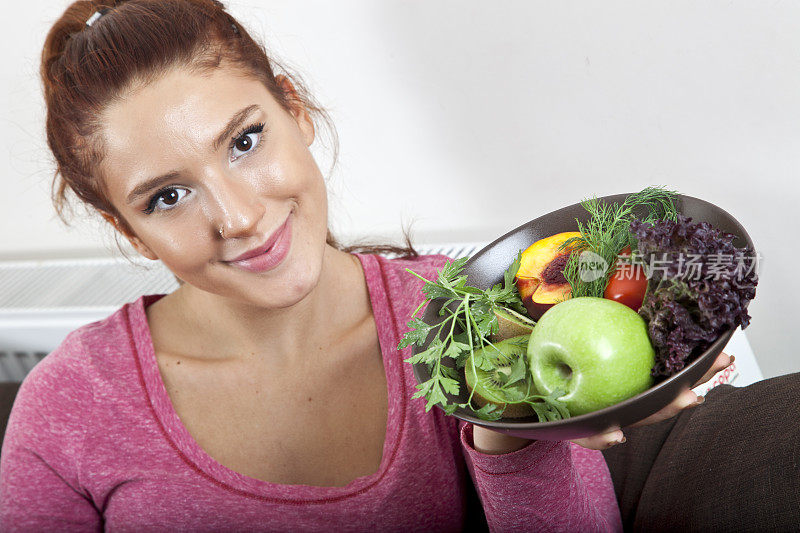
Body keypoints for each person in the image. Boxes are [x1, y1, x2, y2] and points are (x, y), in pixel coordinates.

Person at [0, 1, 732, 531]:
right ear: (125, 229)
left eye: (245, 141)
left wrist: (509, 424)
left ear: (296, 112)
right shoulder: (67, 406)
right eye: (166, 196)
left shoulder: (464, 315)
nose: (238, 216)